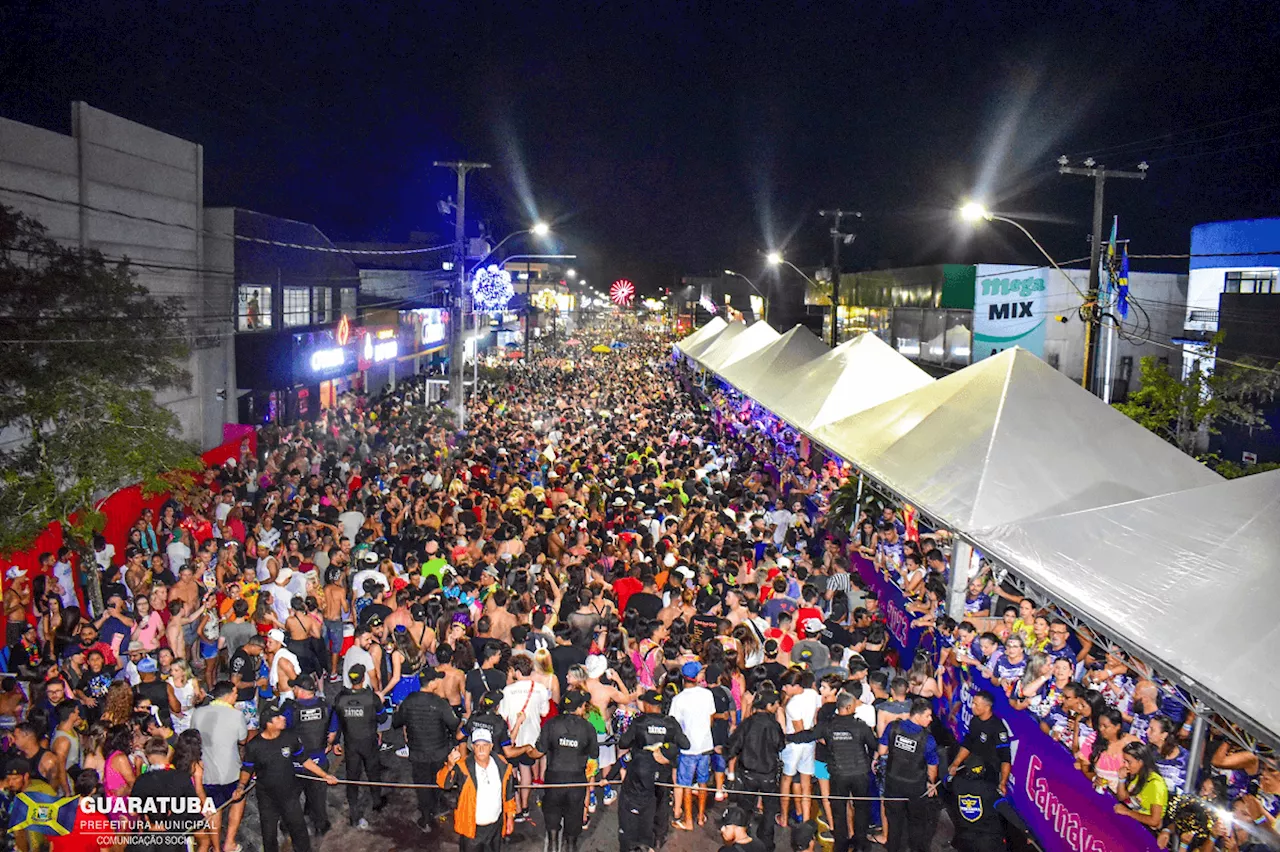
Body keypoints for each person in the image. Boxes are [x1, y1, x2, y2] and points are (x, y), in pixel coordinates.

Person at [235, 705, 337, 852]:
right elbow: (247, 769)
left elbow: (305, 760)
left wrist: (325, 776)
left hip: (289, 794)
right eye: (278, 717)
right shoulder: (254, 746)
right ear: (269, 724)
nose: (283, 718)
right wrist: (241, 786)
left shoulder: (290, 737)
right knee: (268, 834)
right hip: (267, 798)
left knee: (299, 829)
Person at [615, 688, 689, 852]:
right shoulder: (671, 722)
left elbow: (623, 743)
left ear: (648, 705)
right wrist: (667, 746)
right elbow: (685, 744)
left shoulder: (640, 722)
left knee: (639, 805)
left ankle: (638, 840)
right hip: (662, 774)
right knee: (661, 805)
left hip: (641, 773)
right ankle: (657, 839)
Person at [392, 667, 461, 831]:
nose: (439, 681)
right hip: (438, 752)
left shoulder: (409, 701)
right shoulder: (439, 703)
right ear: (433, 683)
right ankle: (435, 806)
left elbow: (396, 722)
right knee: (438, 780)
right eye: (438, 679)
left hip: (417, 753)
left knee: (422, 785)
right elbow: (454, 724)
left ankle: (426, 817)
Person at [529, 690, 599, 852]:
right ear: (580, 707)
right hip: (576, 781)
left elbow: (539, 751)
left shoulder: (551, 724)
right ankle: (570, 846)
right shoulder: (588, 728)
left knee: (552, 819)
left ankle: (553, 845)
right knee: (573, 824)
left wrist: (525, 750)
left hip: (554, 779)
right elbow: (594, 754)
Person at [189, 681, 249, 852]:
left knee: (214, 809)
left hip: (206, 773)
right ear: (228, 695)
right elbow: (242, 740)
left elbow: (194, 737)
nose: (237, 697)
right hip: (231, 772)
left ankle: (215, 847)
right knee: (238, 800)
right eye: (235, 693)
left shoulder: (198, 713)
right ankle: (229, 842)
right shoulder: (235, 715)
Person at [437, 729, 519, 852]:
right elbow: (444, 784)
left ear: (491, 746)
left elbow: (509, 794)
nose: (481, 749)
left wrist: (510, 817)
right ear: (472, 747)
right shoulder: (463, 767)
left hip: (495, 828)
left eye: (485, 745)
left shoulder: (502, 765)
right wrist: (449, 765)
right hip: (472, 829)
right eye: (477, 745)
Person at [724, 689, 786, 850]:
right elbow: (781, 745)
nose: (778, 706)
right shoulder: (774, 725)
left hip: (748, 773)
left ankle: (745, 838)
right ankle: (766, 844)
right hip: (769, 775)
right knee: (769, 811)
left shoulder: (748, 723)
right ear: (769, 705)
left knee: (745, 808)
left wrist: (725, 754)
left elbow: (734, 746)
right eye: (776, 704)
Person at [878, 698, 940, 852]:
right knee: (917, 824)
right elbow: (933, 766)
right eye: (928, 716)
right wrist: (931, 783)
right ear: (917, 715)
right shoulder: (928, 739)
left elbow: (882, 751)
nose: (930, 719)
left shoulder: (893, 727)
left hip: (893, 784)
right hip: (915, 787)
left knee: (894, 823)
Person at [331, 663, 387, 829]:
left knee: (352, 777)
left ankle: (354, 813)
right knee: (373, 772)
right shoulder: (371, 698)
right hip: (369, 741)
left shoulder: (340, 698)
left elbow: (336, 721)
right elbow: (383, 718)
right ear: (364, 678)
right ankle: (377, 801)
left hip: (351, 743)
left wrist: (335, 742)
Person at [668, 660, 716, 830]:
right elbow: (711, 719)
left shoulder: (678, 699)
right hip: (705, 745)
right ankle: (701, 816)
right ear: (696, 677)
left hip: (687, 748)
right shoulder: (707, 694)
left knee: (686, 784)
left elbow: (674, 725)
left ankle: (688, 821)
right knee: (703, 782)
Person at [283, 674, 333, 834]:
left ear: (301, 690)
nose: (293, 690)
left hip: (296, 763)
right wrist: (328, 745)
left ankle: (287, 825)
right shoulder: (325, 706)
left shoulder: (290, 709)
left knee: (291, 797)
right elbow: (332, 734)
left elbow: (281, 732)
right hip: (318, 760)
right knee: (318, 797)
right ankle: (320, 825)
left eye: (295, 687)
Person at [947, 691, 1012, 795]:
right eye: (972, 703)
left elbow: (1005, 757)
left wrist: (1003, 782)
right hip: (974, 763)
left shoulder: (998, 728)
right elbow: (969, 742)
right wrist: (956, 763)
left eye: (976, 704)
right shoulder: (975, 720)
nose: (972, 706)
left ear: (987, 707)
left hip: (989, 772)